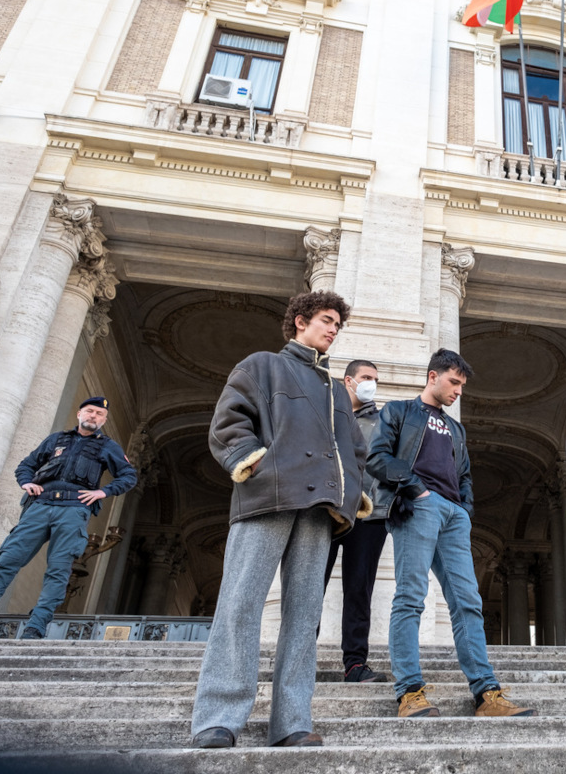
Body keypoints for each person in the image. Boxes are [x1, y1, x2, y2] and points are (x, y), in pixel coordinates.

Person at [190, 291, 371, 749]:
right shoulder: (262, 365)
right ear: (299, 322)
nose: (333, 330)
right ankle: (218, 719)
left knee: (304, 616)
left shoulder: (336, 389)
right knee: (240, 604)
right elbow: (229, 421)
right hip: (268, 495)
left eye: (337, 325)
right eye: (327, 321)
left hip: (319, 511)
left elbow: (355, 450)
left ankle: (292, 721)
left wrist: (353, 496)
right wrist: (253, 463)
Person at [367, 349, 534, 718]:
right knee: (411, 597)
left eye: (462, 385)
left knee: (468, 602)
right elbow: (376, 457)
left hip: (453, 515)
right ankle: (409, 692)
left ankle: (486, 693)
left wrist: (464, 509)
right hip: (418, 506)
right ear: (433, 377)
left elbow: (465, 476)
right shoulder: (398, 411)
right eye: (454, 382)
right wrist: (415, 488)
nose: (459, 391)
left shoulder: (456, 428)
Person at [0, 397, 137, 641]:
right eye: (90, 411)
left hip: (73, 509)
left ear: (104, 420)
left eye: (100, 414)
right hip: (40, 505)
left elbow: (128, 476)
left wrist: (103, 491)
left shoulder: (108, 446)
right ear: (79, 414)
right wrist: (27, 482)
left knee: (58, 570)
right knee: (8, 560)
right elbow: (26, 466)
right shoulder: (56, 440)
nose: (94, 416)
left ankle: (36, 627)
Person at [322, 358, 389, 683]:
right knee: (310, 585)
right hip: (324, 509)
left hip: (369, 515)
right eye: (365, 377)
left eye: (375, 378)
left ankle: (355, 664)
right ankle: (296, 658)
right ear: (348, 381)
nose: (371, 384)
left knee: (360, 589)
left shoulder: (384, 422)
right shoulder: (326, 413)